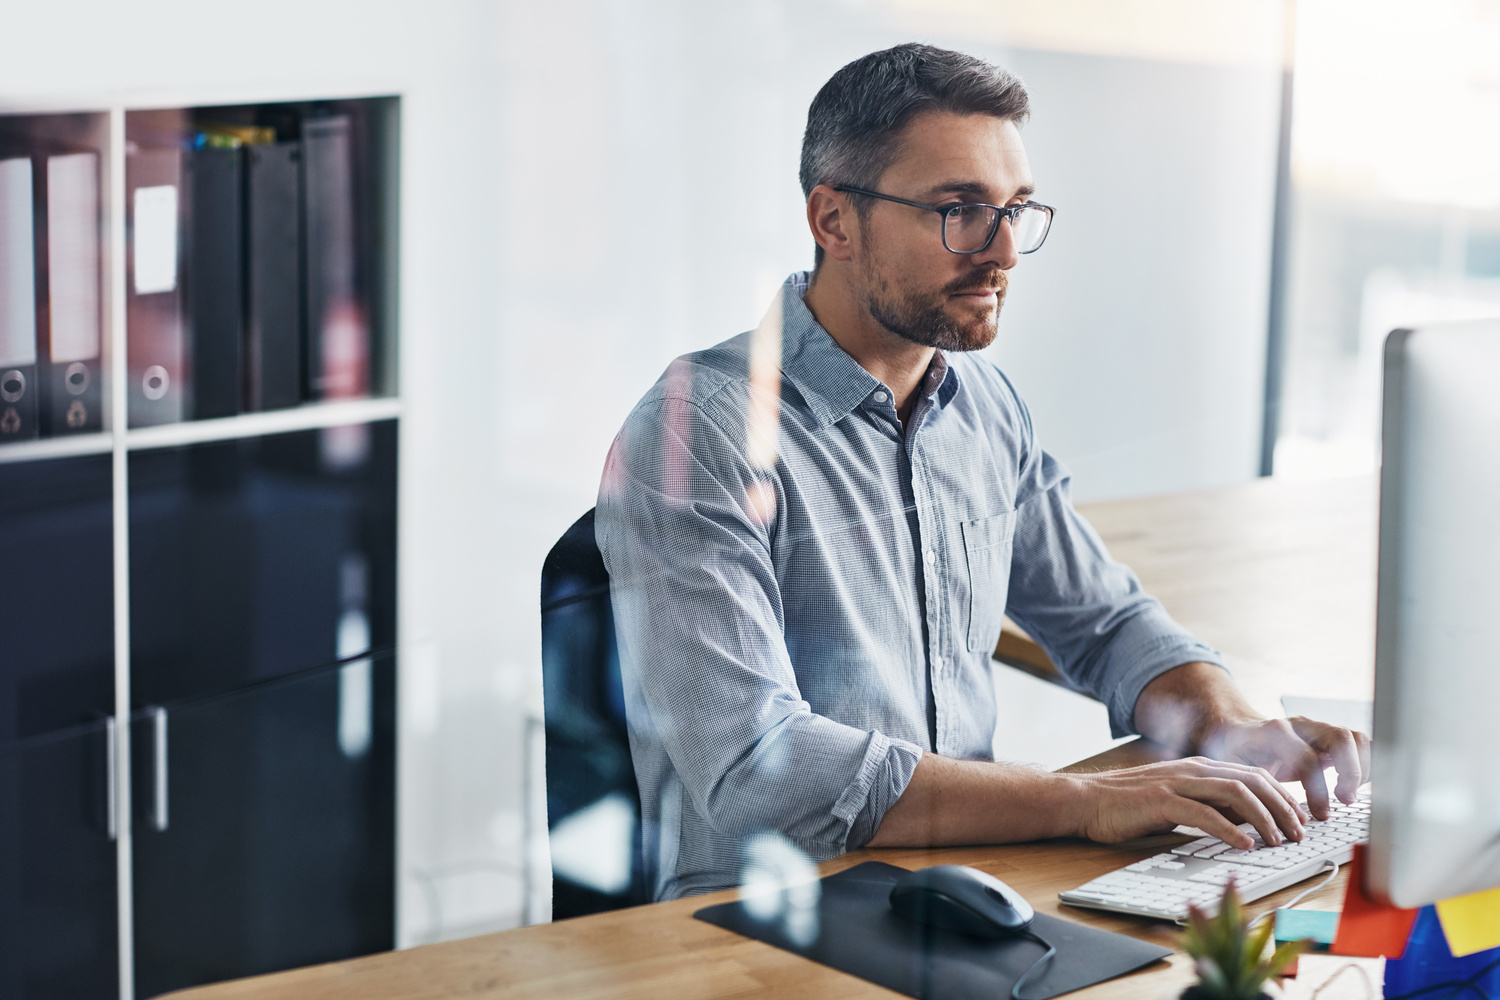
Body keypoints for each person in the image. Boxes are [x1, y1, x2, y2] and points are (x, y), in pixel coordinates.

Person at [596, 42, 1370, 902]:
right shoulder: (700, 428)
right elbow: (756, 765)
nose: (1003, 252)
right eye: (960, 210)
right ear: (835, 222)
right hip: (768, 921)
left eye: (1017, 210)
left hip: (967, 895)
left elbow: (1107, 625)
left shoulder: (984, 408)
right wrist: (1082, 801)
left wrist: (1228, 729)